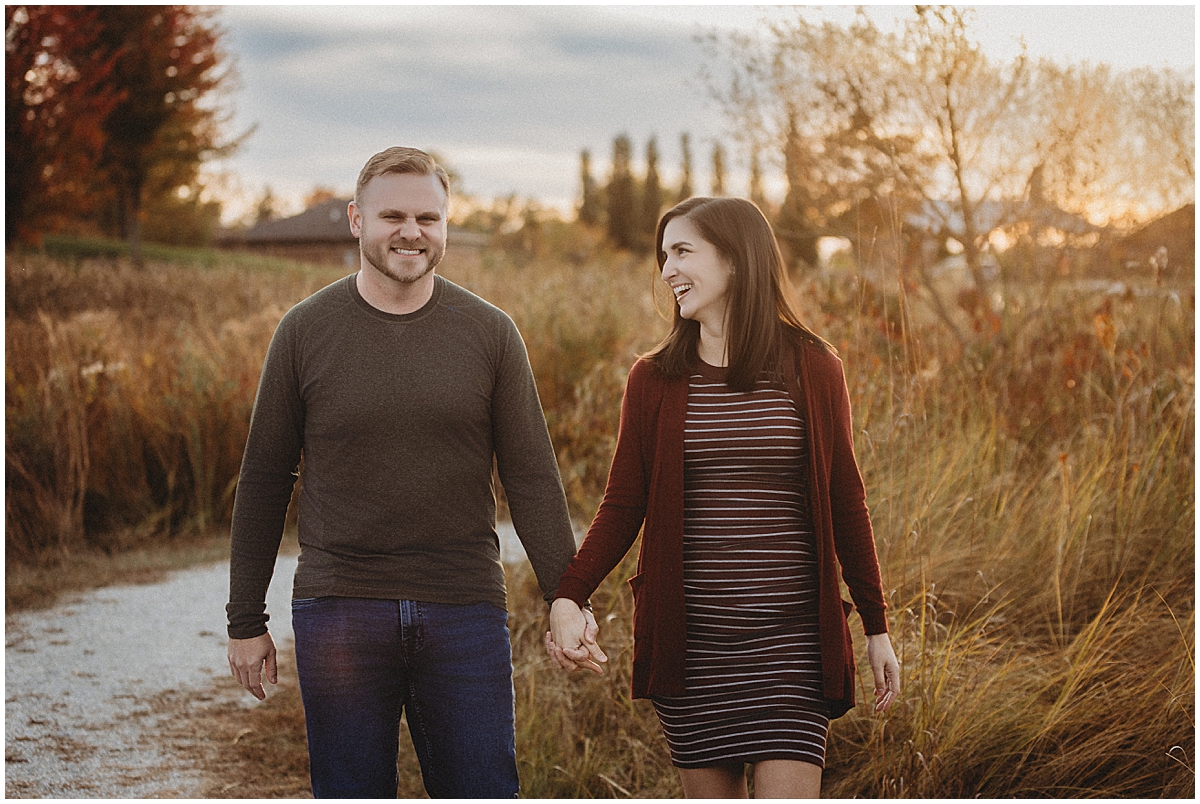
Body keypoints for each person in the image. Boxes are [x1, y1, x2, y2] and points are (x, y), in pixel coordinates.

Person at [225, 146, 584, 799]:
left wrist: (567, 596)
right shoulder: (304, 332)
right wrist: (245, 619)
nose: (411, 232)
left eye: (428, 218)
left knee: (483, 791)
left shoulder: (491, 334)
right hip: (340, 610)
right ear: (357, 220)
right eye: (393, 216)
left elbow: (532, 475)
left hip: (464, 609)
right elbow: (264, 481)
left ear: (446, 224)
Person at [545, 197, 900, 798]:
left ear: (736, 258)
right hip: (692, 649)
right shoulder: (653, 379)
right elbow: (623, 504)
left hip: (791, 646)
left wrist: (876, 625)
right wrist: (569, 594)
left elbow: (847, 501)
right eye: (663, 256)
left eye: (683, 252)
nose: (667, 271)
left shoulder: (814, 367)